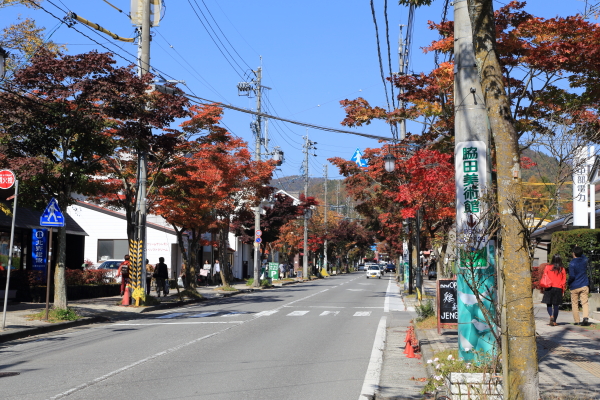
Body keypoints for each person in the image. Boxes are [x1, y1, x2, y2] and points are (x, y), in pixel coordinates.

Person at [541, 255, 567, 326]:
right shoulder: (562, 269)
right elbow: (564, 281)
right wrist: (563, 290)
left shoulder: (547, 267)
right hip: (558, 288)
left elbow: (544, 276)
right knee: (556, 305)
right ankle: (554, 321)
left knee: (549, 304)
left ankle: (551, 316)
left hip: (549, 287)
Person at [569, 246, 591, 326]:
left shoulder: (572, 263)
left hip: (574, 285)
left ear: (573, 253)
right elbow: (584, 256)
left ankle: (577, 320)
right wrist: (579, 250)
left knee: (574, 304)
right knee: (584, 302)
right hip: (584, 284)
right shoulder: (584, 260)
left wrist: (569, 282)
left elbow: (572, 276)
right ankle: (585, 317)